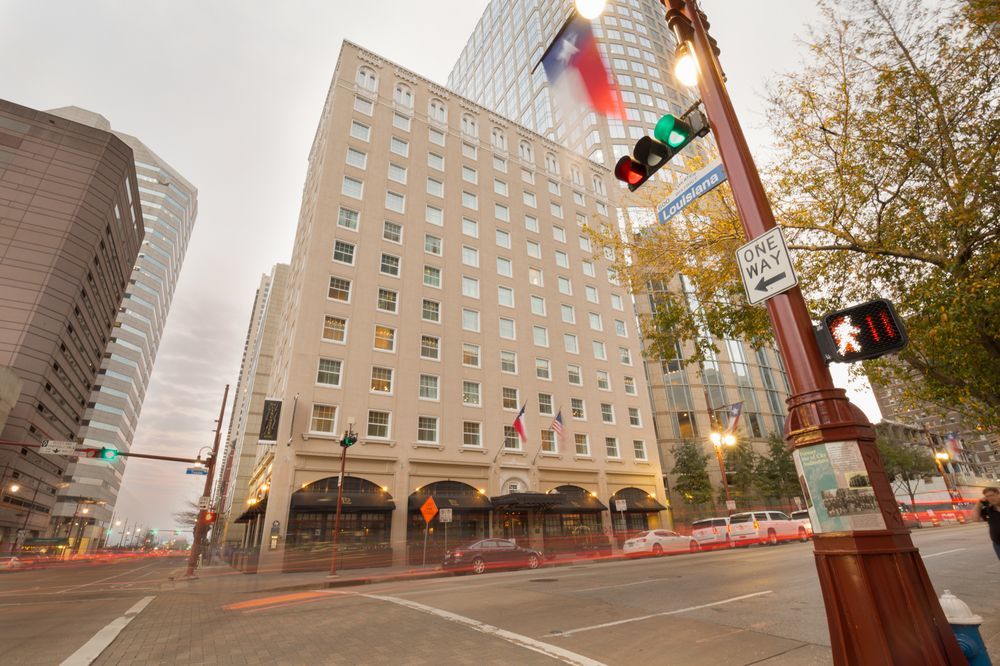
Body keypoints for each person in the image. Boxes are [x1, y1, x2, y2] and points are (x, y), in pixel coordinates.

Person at [979, 487, 1000, 561]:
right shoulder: (988, 510)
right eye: (987, 496)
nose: (990, 498)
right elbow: (974, 518)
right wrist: (979, 503)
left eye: (992, 495)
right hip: (998, 544)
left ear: (998, 494)